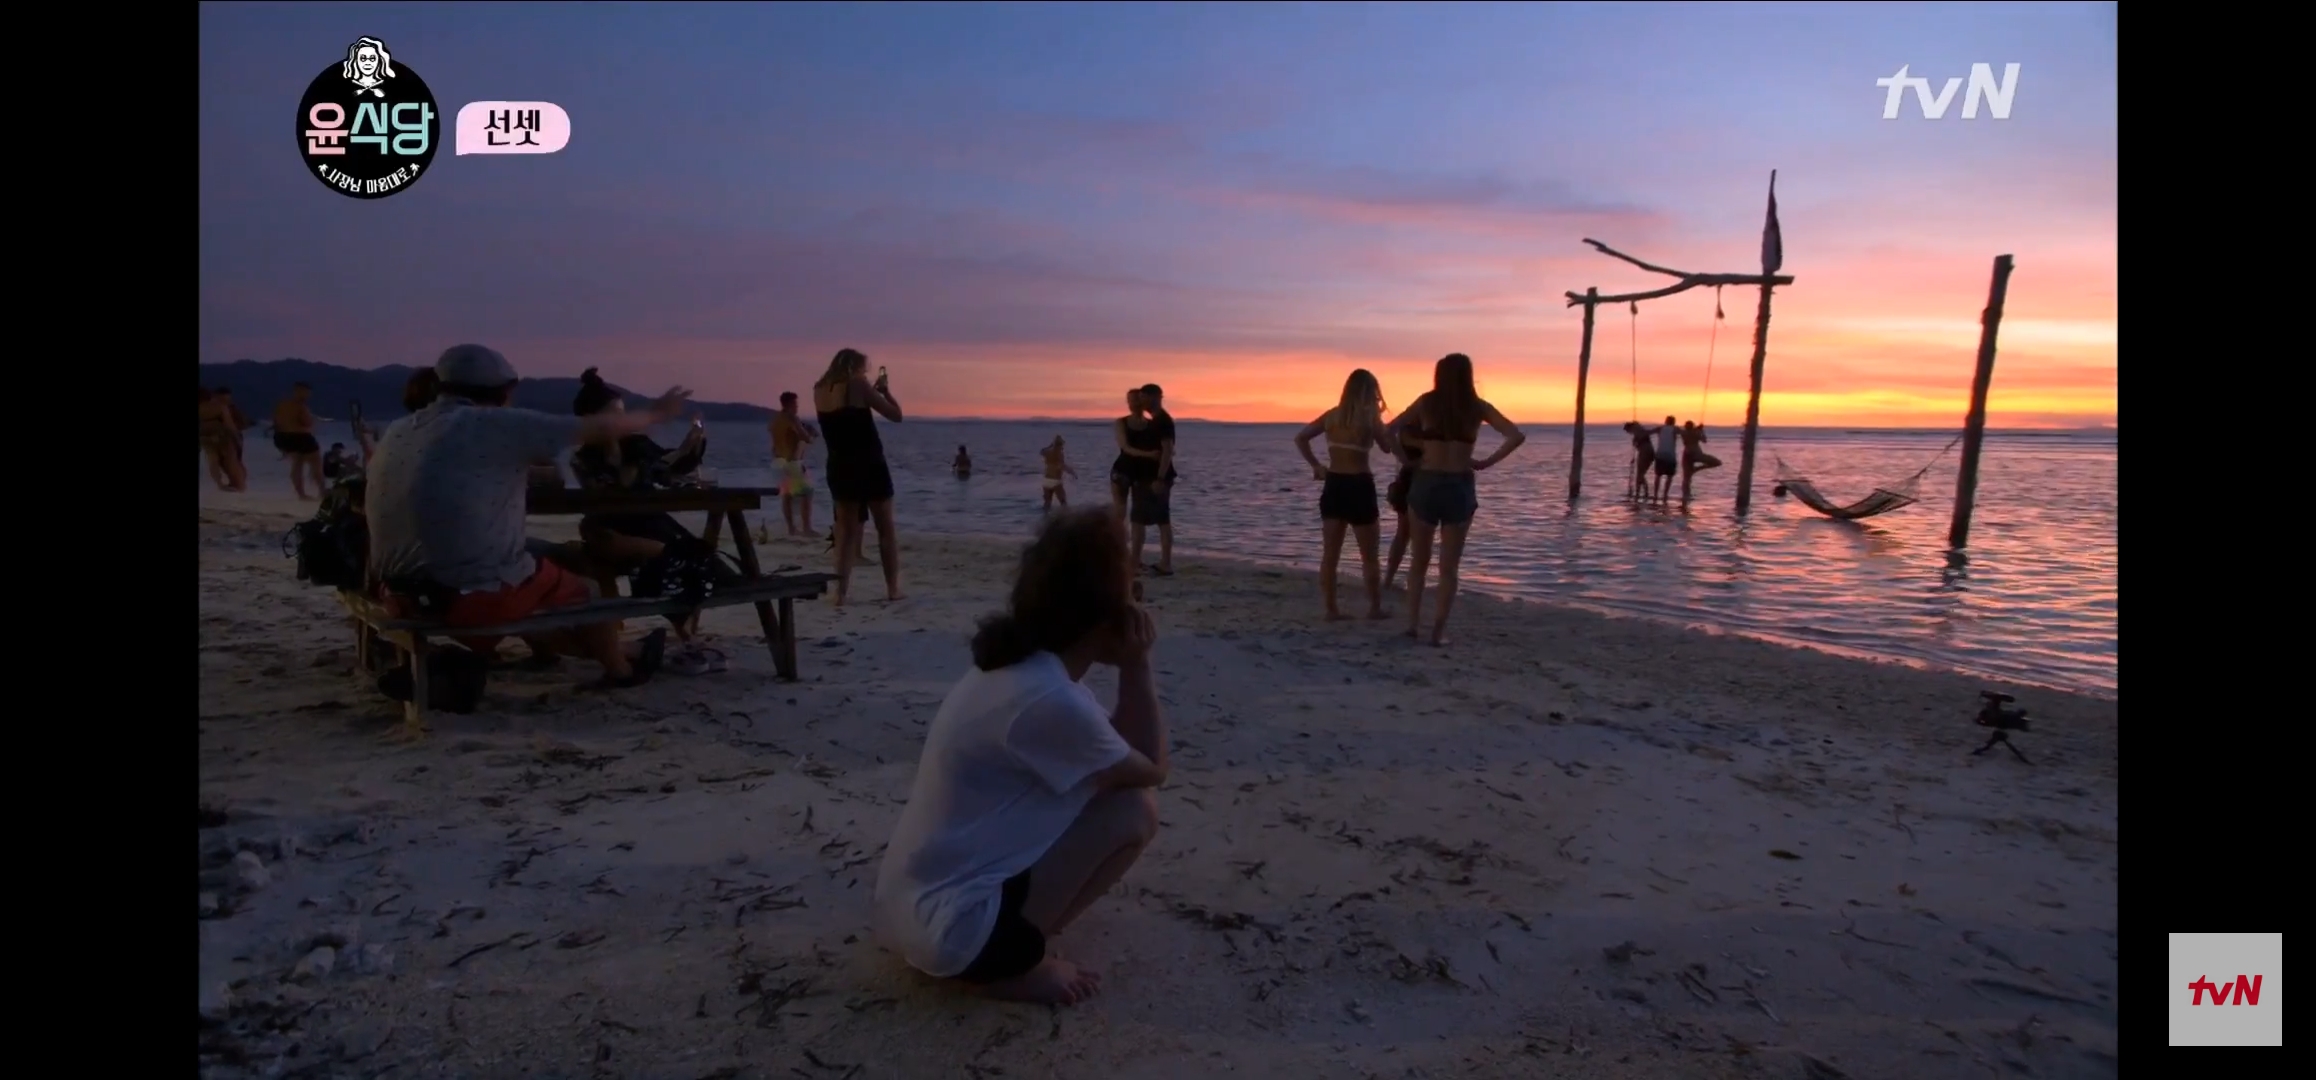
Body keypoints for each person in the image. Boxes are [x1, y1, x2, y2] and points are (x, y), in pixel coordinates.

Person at [872, 508, 1167, 1006]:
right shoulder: (1049, 698)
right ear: (1106, 614)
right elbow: (1151, 769)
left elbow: (1117, 753)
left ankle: (1006, 945)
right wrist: (1137, 666)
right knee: (1132, 812)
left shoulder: (1020, 670)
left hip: (912, 914)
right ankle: (1009, 965)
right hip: (954, 932)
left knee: (1116, 799)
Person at [364, 345, 689, 689]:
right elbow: (595, 427)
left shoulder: (399, 430)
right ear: (505, 391)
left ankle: (620, 649)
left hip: (399, 594)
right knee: (588, 590)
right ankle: (621, 670)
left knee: (540, 559)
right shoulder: (493, 423)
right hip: (462, 595)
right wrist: (656, 415)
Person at [568, 369, 721, 672]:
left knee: (691, 561)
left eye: (623, 415)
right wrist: (622, 456)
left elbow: (671, 469)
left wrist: (691, 445)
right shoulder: (584, 457)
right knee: (666, 556)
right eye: (615, 415)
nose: (622, 422)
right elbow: (609, 492)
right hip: (612, 528)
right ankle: (645, 630)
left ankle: (685, 630)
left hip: (650, 523)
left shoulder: (637, 445)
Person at [1386, 353, 1526, 647]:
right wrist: (1486, 462)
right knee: (1449, 568)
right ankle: (1438, 632)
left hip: (1426, 481)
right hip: (1459, 484)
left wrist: (1406, 459)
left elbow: (1389, 429)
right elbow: (1515, 435)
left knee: (1418, 562)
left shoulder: (1427, 402)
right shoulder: (1477, 407)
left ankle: (1412, 626)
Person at [1293, 369, 1397, 620]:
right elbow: (1386, 448)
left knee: (1330, 554)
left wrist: (1316, 465)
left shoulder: (1332, 416)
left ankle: (1331, 609)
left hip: (1335, 484)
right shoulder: (1370, 419)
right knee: (1369, 555)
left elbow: (1301, 437)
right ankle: (1375, 608)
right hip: (1360, 485)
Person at [812, 348, 904, 605]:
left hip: (839, 465)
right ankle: (893, 589)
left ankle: (839, 593)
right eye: (864, 368)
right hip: (869, 463)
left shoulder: (819, 389)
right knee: (885, 528)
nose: (865, 373)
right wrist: (885, 392)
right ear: (855, 367)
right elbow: (896, 416)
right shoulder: (858, 384)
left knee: (845, 533)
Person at [1132, 383, 1178, 577]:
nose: (1140, 402)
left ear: (1155, 397)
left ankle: (1165, 563)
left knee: (1161, 520)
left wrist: (1160, 478)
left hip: (1157, 478)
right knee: (1141, 519)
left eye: (1143, 398)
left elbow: (1168, 450)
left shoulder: (1164, 421)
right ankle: (1139, 561)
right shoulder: (1153, 421)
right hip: (1147, 477)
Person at [770, 391, 820, 537]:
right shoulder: (792, 418)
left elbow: (774, 444)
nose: (797, 407)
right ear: (790, 404)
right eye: (796, 404)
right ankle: (807, 528)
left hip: (778, 461)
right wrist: (810, 434)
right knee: (807, 493)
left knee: (787, 496)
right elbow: (805, 437)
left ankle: (791, 528)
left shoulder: (775, 420)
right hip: (792, 462)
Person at [1107, 389, 1155, 523]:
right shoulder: (1121, 423)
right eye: (1130, 401)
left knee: (1139, 514)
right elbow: (1125, 447)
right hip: (1123, 470)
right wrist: (1149, 454)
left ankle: (1134, 543)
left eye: (1136, 400)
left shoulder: (1152, 425)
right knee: (1120, 512)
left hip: (1143, 473)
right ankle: (1115, 541)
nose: (1133, 404)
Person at [271, 382, 326, 499]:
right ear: (299, 391)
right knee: (316, 463)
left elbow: (276, 422)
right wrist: (311, 421)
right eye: (306, 392)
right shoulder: (301, 406)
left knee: (297, 464)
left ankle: (301, 494)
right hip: (300, 437)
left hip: (282, 437)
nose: (308, 395)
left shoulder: (282, 405)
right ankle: (322, 491)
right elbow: (306, 422)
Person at [1383, 437, 1423, 589]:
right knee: (1407, 533)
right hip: (1414, 477)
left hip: (1415, 476)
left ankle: (1392, 579)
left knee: (1406, 533)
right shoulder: (1413, 424)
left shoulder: (1411, 423)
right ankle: (1391, 579)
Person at [199, 388, 247, 492]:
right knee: (232, 460)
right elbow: (229, 424)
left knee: (212, 461)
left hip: (204, 436)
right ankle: (241, 486)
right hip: (222, 436)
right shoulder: (219, 407)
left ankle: (220, 484)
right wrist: (237, 437)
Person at [1679, 420, 1722, 505]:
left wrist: (1698, 429)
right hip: (1696, 454)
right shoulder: (1695, 433)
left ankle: (1686, 496)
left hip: (1687, 454)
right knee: (1717, 462)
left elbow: (1689, 433)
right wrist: (1701, 430)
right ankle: (1697, 470)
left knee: (1686, 478)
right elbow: (1704, 440)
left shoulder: (1684, 433)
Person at [1039, 435, 1077, 510]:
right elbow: (1061, 465)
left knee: (1047, 504)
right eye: (1062, 444)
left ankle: (1045, 520)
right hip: (1055, 481)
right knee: (1063, 503)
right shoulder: (1059, 453)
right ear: (1060, 444)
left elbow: (1041, 451)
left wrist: (1049, 446)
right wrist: (1072, 472)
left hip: (1046, 480)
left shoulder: (1047, 452)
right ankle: (1065, 519)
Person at [1650, 415, 1681, 504]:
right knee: (1669, 476)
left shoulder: (1660, 428)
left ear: (1665, 421)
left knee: (1658, 476)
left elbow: (1648, 432)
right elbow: (1685, 433)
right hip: (1670, 455)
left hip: (1660, 454)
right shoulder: (1675, 429)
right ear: (1674, 422)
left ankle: (1655, 495)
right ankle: (1665, 495)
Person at [1622, 421, 1653, 500]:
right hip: (1648, 453)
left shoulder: (1637, 430)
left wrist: (1635, 442)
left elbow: (1640, 440)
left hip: (1645, 453)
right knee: (1641, 475)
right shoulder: (1638, 432)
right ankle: (1644, 493)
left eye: (1627, 431)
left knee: (1640, 475)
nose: (1629, 433)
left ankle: (1640, 493)